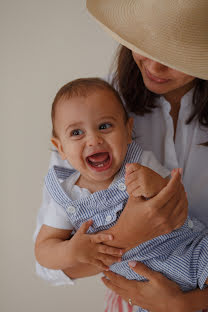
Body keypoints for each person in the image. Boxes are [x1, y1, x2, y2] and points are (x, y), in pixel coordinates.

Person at [34, 77, 208, 312]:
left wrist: (155, 183)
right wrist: (71, 250)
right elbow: (43, 252)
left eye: (104, 126)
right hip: (145, 290)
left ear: (128, 131)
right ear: (61, 147)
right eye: (76, 132)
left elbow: (175, 200)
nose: (94, 140)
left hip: (191, 251)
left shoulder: (140, 162)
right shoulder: (67, 195)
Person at [84, 0, 208, 311]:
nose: (153, 67)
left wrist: (186, 304)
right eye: (146, 43)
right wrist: (126, 233)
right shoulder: (97, 108)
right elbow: (55, 262)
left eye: (176, 54)